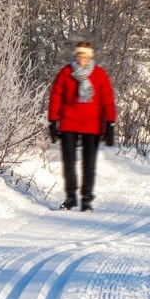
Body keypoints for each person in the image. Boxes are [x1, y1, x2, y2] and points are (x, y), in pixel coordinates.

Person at [48, 40, 117, 211]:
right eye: (79, 55)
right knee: (69, 162)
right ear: (76, 55)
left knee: (89, 163)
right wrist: (52, 120)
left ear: (90, 57)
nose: (82, 58)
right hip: (69, 122)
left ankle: (86, 199)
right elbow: (56, 96)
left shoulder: (99, 75)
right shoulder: (66, 73)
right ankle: (71, 197)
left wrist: (110, 123)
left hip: (92, 124)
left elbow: (107, 100)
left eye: (85, 56)